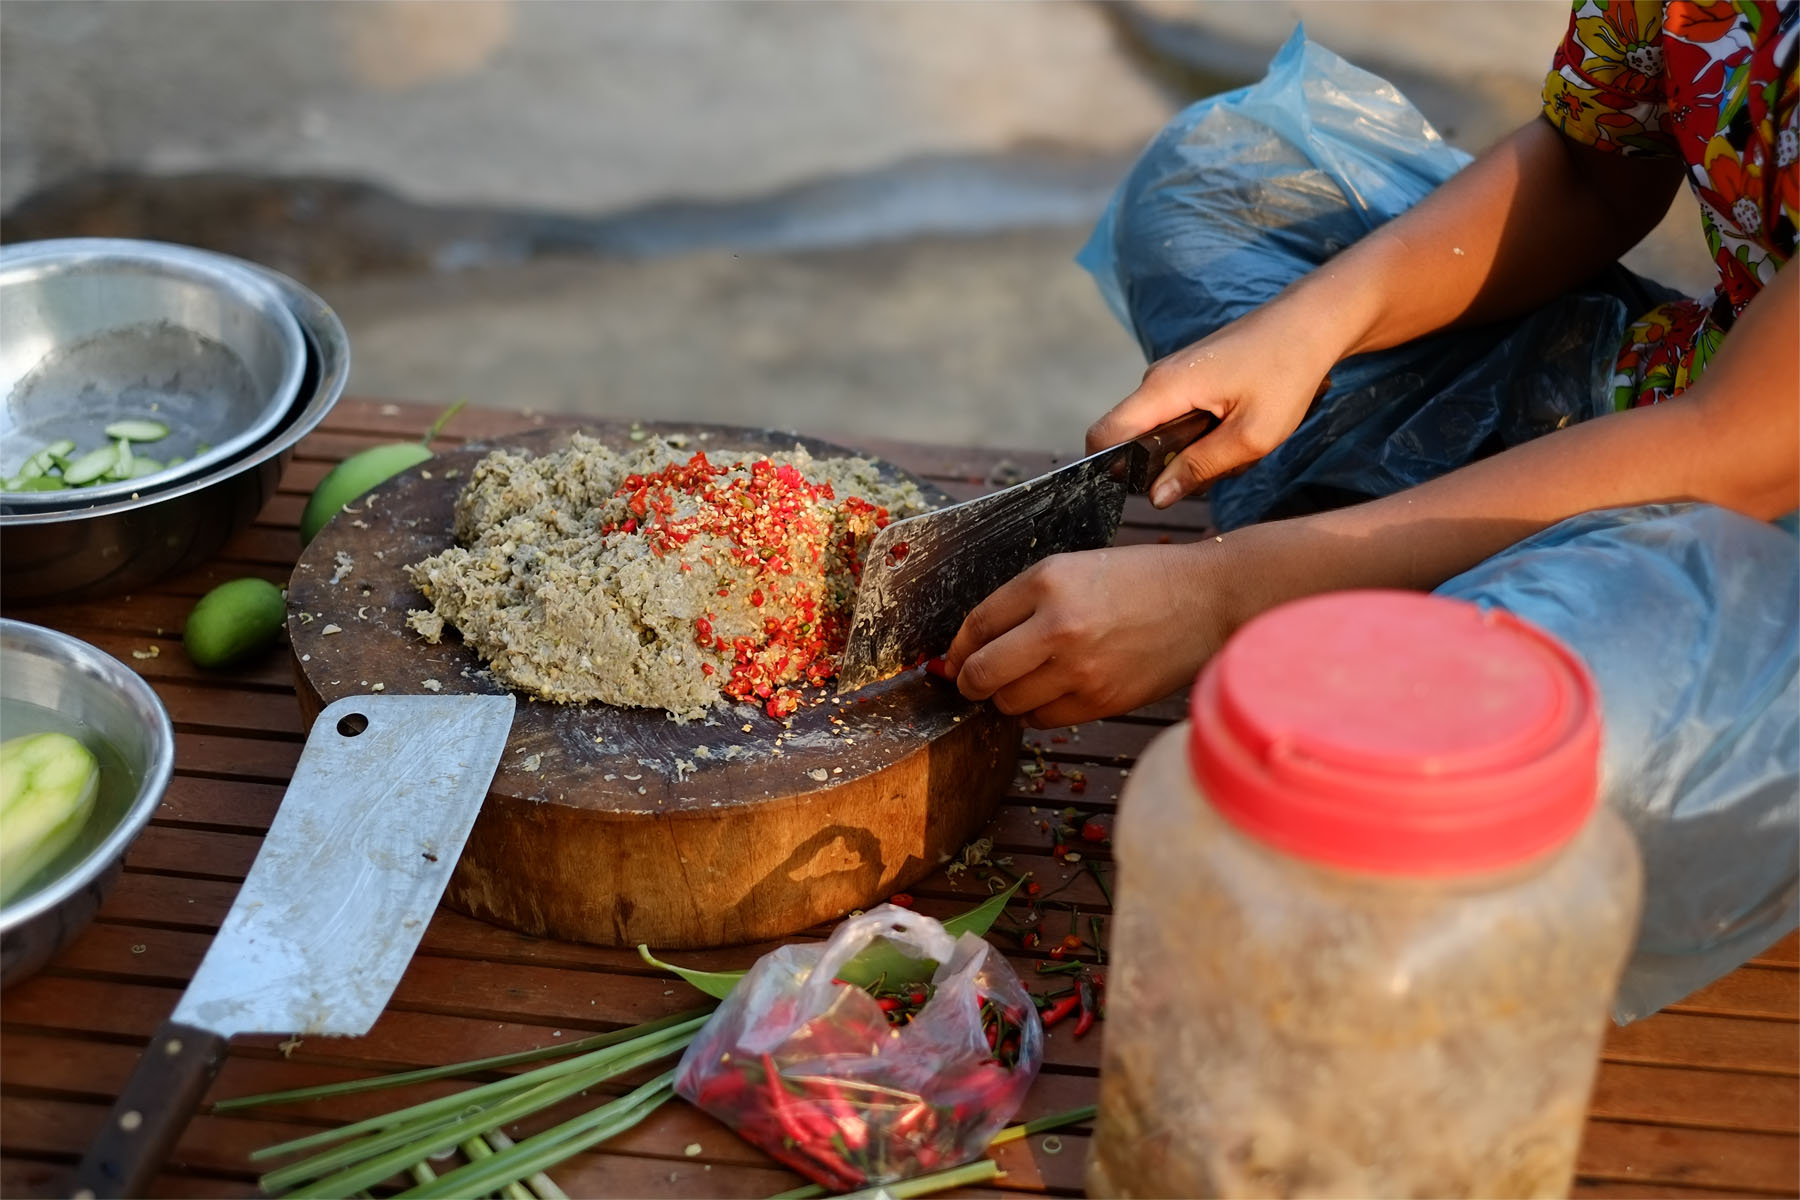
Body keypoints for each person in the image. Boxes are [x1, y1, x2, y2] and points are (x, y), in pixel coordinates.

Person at [943, 3, 1797, 1021]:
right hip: (1678, 396)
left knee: (1466, 776)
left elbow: (1736, 450)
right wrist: (1308, 330)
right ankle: (1398, 589)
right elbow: (1586, 175)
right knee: (1223, 178)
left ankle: (1385, 605)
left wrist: (1224, 594)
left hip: (1758, 532)